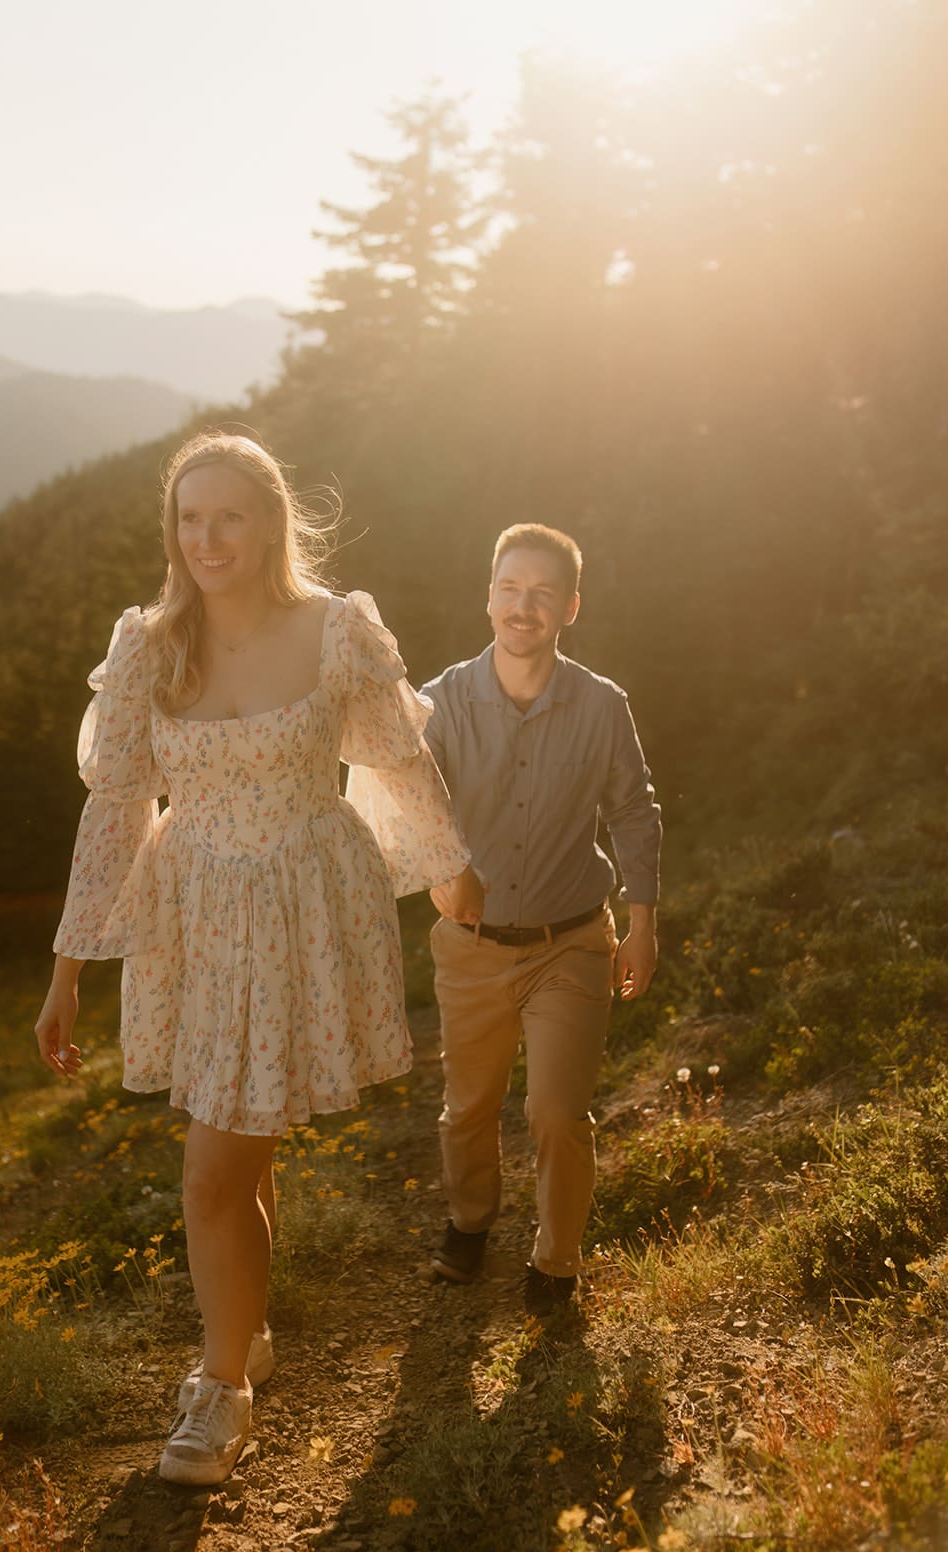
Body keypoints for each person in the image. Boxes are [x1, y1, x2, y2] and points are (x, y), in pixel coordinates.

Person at [33, 432, 482, 1485]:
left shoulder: (332, 631)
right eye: (189, 520)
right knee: (238, 1149)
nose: (207, 539)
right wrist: (67, 968)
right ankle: (247, 1335)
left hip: (302, 913)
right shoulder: (152, 645)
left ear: (270, 522)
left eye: (228, 516)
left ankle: (222, 1392)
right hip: (194, 918)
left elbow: (395, 754)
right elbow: (114, 814)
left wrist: (449, 865)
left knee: (212, 1173)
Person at [419, 522, 661, 1317]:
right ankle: (469, 1221)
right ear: (489, 597)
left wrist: (642, 922)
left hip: (572, 943)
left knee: (556, 1112)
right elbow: (403, 805)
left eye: (543, 595)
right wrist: (434, 875)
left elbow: (632, 812)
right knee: (469, 1109)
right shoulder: (440, 702)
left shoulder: (601, 706)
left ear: (569, 608)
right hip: (470, 948)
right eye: (510, 590)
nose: (524, 608)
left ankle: (555, 1263)